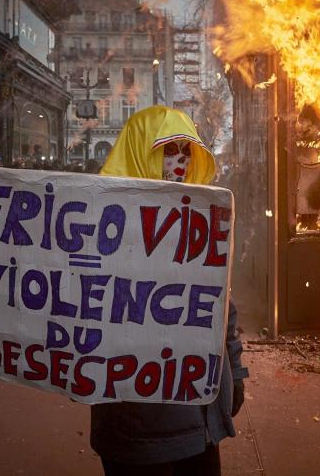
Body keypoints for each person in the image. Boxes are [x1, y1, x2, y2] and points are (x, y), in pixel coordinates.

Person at [92, 105, 249, 476]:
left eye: (185, 150)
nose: (179, 160)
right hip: (137, 424)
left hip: (201, 419)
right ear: (140, 150)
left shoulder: (200, 218)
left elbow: (220, 302)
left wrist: (235, 370)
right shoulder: (100, 226)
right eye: (167, 150)